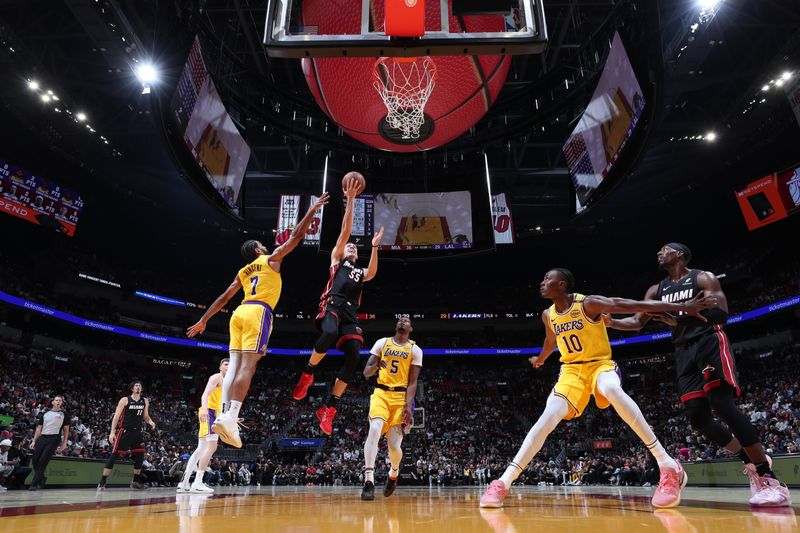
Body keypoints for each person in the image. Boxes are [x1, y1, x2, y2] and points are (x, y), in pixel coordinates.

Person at [480, 268, 716, 509]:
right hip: (571, 372)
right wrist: (541, 359)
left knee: (612, 390)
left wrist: (685, 308)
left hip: (600, 365)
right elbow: (551, 341)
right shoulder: (547, 314)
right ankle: (503, 482)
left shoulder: (588, 304)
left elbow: (624, 304)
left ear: (561, 285)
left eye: (547, 279)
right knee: (548, 417)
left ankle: (667, 464)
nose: (541, 283)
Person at [606, 242, 792, 506]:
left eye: (664, 249)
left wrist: (678, 314)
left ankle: (768, 478)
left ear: (679, 254)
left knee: (721, 403)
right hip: (683, 351)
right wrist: (610, 321)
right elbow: (637, 322)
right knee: (698, 417)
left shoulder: (703, 277)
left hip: (708, 341)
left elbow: (720, 313)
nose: (659, 253)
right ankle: (750, 462)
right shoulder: (655, 290)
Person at [187, 194, 330, 448]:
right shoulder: (270, 259)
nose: (265, 246)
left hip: (238, 314)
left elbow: (223, 297)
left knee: (234, 366)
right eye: (261, 245)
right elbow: (296, 236)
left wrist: (203, 320)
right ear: (256, 250)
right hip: (258, 312)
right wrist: (312, 209)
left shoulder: (243, 272)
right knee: (247, 367)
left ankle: (224, 414)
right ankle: (231, 416)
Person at [292, 178, 385, 435]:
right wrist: (351, 199)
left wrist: (375, 246)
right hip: (332, 303)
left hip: (350, 313)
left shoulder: (360, 270)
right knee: (330, 333)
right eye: (350, 246)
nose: (352, 247)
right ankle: (308, 373)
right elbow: (345, 231)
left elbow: (373, 272)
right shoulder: (337, 260)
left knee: (355, 355)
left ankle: (329, 408)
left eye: (356, 247)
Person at [360, 317, 423, 500]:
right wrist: (376, 365)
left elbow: (412, 382)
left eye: (406, 320)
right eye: (400, 319)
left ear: (411, 328)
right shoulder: (382, 343)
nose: (402, 321)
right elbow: (366, 372)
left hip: (400, 398)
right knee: (374, 429)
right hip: (381, 393)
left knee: (394, 447)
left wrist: (409, 407)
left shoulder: (415, 350)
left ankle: (393, 474)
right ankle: (369, 480)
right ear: (397, 326)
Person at [178, 358, 229, 493]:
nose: (228, 367)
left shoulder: (228, 382)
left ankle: (184, 483)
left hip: (215, 414)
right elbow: (205, 394)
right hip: (209, 413)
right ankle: (198, 482)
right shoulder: (216, 377)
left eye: (230, 365)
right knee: (212, 447)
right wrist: (205, 409)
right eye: (225, 364)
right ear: (220, 367)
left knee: (201, 449)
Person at [97, 381, 156, 490]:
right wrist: (112, 432)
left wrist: (151, 422)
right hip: (125, 431)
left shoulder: (145, 401)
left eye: (140, 386)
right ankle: (102, 481)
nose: (138, 387)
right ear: (132, 389)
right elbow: (116, 417)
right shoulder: (125, 400)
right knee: (114, 455)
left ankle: (135, 482)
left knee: (140, 455)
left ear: (141, 389)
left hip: (137, 432)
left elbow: (146, 416)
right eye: (136, 386)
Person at [28, 395, 70, 490]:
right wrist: (34, 441)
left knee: (43, 460)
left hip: (54, 439)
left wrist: (64, 443)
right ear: (53, 402)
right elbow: (39, 428)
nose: (58, 401)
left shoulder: (64, 414)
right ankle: (42, 478)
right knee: (35, 460)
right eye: (56, 400)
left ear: (61, 403)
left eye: (60, 400)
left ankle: (34, 484)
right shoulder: (45, 413)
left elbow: (66, 429)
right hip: (43, 437)